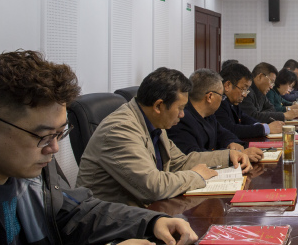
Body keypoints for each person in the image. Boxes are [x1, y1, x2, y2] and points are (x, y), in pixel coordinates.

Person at [0, 50, 198, 245]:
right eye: (43, 136)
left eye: (59, 134)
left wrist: (152, 222)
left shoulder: (29, 166)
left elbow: (77, 211)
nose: (53, 148)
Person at [77, 67, 251, 207]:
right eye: (180, 108)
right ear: (159, 106)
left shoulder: (154, 122)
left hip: (144, 212)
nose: (183, 115)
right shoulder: (121, 130)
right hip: (112, 224)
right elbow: (153, 186)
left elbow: (180, 162)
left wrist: (228, 156)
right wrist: (196, 176)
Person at [167, 69, 263, 163]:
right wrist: (232, 155)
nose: (222, 100)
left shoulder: (209, 115)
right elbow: (194, 157)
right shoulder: (180, 119)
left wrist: (232, 143)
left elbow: (223, 133)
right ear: (210, 97)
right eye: (221, 96)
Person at [215, 62, 284, 138]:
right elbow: (231, 129)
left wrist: (261, 125)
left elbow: (245, 118)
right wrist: (266, 128)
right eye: (243, 89)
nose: (245, 94)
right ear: (227, 85)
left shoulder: (233, 102)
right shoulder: (218, 103)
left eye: (246, 90)